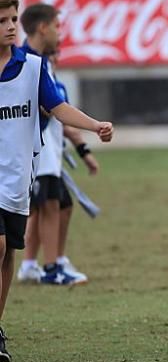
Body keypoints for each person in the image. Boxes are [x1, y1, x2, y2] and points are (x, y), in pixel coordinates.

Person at [0, 0, 113, 362]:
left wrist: (95, 126)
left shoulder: (31, 68)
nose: (10, 27)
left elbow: (58, 107)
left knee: (7, 255)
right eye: (3, 21)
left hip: (16, 178)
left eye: (13, 19)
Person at [20, 43, 99, 285]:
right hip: (39, 157)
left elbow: (64, 123)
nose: (54, 57)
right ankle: (50, 265)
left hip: (52, 158)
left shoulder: (56, 84)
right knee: (48, 208)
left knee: (50, 207)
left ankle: (33, 264)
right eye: (49, 53)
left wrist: (83, 150)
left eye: (56, 52)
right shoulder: (30, 74)